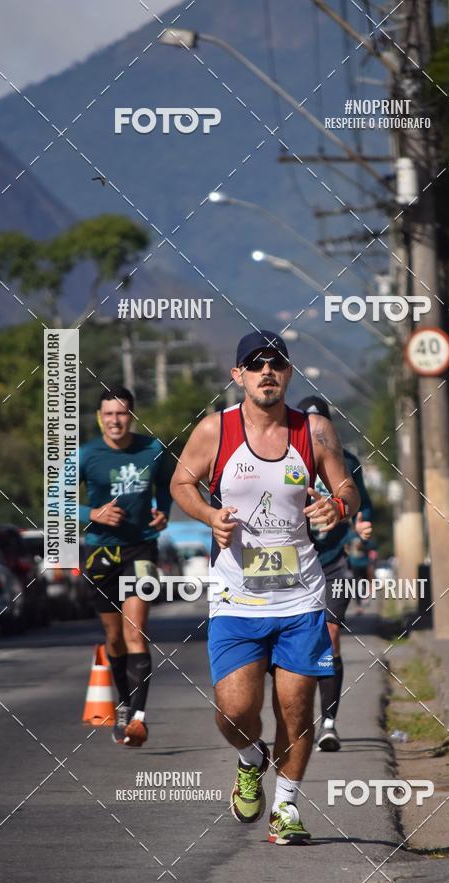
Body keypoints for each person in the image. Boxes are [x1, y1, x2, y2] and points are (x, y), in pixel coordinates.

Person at [171, 331, 360, 845]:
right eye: (255, 365)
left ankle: (286, 808)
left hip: (301, 597)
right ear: (238, 376)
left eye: (276, 363)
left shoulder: (314, 430)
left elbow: (347, 487)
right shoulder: (216, 430)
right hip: (237, 599)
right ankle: (250, 758)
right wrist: (210, 516)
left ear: (289, 373)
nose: (267, 372)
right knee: (236, 710)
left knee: (296, 710)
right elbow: (180, 484)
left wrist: (337, 506)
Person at [79, 386, 172, 747]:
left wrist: (163, 511)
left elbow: (168, 485)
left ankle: (138, 717)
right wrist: (93, 513)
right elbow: (55, 501)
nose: (115, 420)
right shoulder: (87, 455)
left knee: (136, 631)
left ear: (131, 415)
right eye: (108, 414)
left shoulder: (152, 449)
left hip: (141, 550)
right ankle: (123, 703)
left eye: (121, 414)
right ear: (99, 417)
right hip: (101, 554)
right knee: (114, 638)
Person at [297, 397, 373, 752]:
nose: (315, 432)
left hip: (334, 564)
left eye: (320, 425)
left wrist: (363, 521)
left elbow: (363, 503)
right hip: (293, 566)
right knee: (294, 646)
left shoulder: (349, 464)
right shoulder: (287, 464)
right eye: (307, 425)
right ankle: (297, 718)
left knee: (329, 637)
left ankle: (328, 722)